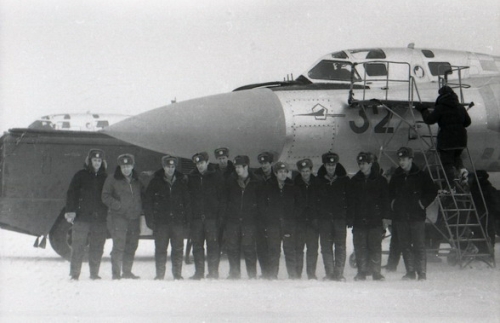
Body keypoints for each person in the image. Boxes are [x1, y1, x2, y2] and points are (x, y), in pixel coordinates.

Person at [388, 147, 438, 281]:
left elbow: (432, 190)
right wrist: (393, 203)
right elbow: (390, 192)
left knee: (418, 245)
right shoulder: (396, 176)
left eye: (404, 159)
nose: (401, 162)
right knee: (405, 245)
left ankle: (421, 273)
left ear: (411, 159)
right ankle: (410, 272)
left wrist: (423, 203)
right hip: (401, 217)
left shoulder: (421, 175)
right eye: (400, 159)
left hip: (416, 217)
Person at [415, 85, 472, 190]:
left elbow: (429, 120)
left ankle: (451, 186)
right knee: (456, 157)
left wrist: (423, 110)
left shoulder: (441, 107)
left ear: (441, 95)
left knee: (447, 163)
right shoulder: (460, 107)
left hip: (447, 140)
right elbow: (468, 122)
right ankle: (462, 170)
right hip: (461, 140)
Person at [144, 156, 191, 280]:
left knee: (178, 249)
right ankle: (160, 275)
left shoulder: (181, 181)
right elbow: (148, 202)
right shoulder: (155, 181)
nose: (170, 169)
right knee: (160, 249)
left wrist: (186, 219)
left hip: (177, 222)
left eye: (172, 167)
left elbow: (187, 202)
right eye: (168, 167)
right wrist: (150, 220)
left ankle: (177, 274)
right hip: (161, 223)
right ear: (163, 167)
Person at [65, 149, 108, 280]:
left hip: (99, 219)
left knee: (97, 247)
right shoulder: (80, 175)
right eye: (94, 160)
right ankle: (74, 274)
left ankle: (94, 274)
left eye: (99, 160)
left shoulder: (105, 177)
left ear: (102, 162)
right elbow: (71, 193)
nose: (97, 163)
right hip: (81, 218)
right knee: (78, 247)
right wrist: (71, 211)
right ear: (89, 161)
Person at [347, 152, 390, 281]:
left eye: (364, 163)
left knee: (375, 246)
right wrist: (351, 218)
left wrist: (385, 218)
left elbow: (385, 200)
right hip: (359, 220)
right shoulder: (354, 181)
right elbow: (351, 201)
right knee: (360, 247)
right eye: (359, 164)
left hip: (375, 219)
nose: (361, 166)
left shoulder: (380, 180)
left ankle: (376, 272)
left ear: (370, 164)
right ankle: (361, 272)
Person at [258, 161, 304, 279]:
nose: (283, 174)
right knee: (273, 250)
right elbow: (262, 204)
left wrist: (293, 216)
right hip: (273, 224)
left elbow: (300, 205)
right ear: (276, 173)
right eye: (280, 172)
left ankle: (293, 275)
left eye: (285, 172)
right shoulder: (268, 186)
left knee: (289, 250)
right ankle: (273, 275)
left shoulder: (292, 187)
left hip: (289, 224)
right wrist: (268, 216)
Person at [102, 154, 144, 280]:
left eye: (128, 166)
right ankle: (116, 274)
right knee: (119, 245)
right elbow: (105, 196)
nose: (126, 169)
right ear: (120, 166)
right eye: (123, 166)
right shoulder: (112, 179)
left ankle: (127, 272)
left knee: (132, 244)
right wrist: (118, 206)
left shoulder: (137, 180)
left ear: (132, 166)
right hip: (118, 217)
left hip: (134, 217)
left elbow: (142, 195)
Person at [187, 152, 225, 279]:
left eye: (202, 163)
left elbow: (222, 198)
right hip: (197, 219)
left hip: (212, 219)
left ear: (207, 162)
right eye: (197, 164)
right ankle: (199, 272)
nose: (200, 166)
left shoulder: (216, 176)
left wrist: (219, 216)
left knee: (213, 245)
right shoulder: (191, 177)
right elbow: (189, 198)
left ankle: (213, 272)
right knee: (197, 246)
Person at [224, 155, 259, 279]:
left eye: (239, 167)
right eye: (236, 167)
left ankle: (252, 274)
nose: (237, 169)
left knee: (249, 247)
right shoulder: (231, 181)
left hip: (249, 221)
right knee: (232, 247)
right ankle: (234, 273)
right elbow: (226, 200)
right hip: (233, 220)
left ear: (246, 167)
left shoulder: (256, 181)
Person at [316, 152, 349, 281]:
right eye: (328, 165)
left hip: (340, 219)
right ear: (324, 165)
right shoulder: (318, 181)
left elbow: (350, 199)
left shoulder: (344, 180)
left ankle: (339, 273)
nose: (331, 167)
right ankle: (329, 273)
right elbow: (315, 201)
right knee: (326, 247)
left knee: (340, 246)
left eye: (333, 165)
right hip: (324, 220)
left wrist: (348, 217)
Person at [294, 159, 320, 280]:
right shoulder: (295, 184)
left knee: (312, 249)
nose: (305, 173)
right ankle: (297, 273)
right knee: (298, 249)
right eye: (303, 171)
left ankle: (311, 274)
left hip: (312, 223)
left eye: (307, 171)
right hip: (299, 222)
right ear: (300, 171)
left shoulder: (317, 183)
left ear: (311, 170)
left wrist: (316, 218)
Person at [253, 151, 276, 278]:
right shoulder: (256, 176)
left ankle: (272, 272)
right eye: (262, 163)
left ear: (271, 163)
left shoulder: (277, 174)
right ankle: (264, 272)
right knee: (261, 245)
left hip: (273, 217)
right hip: (259, 216)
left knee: (272, 245)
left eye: (266, 163)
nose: (264, 165)